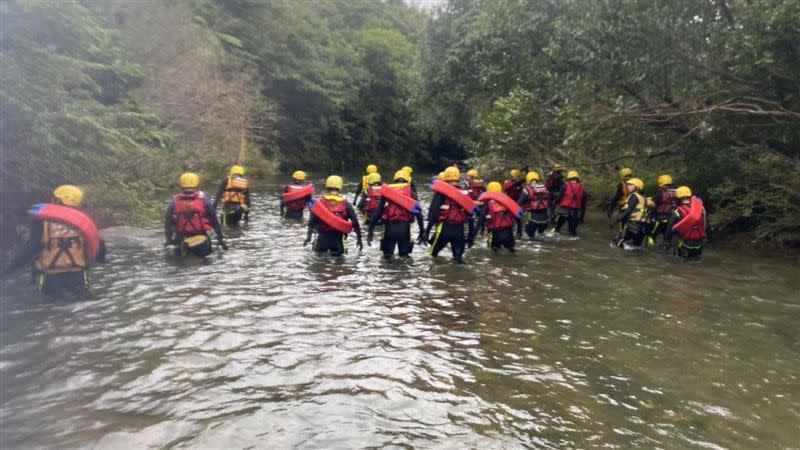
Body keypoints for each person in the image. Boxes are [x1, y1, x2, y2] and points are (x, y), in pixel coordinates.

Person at [4, 185, 106, 296]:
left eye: (54, 197)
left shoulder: (42, 222)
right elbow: (100, 254)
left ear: (58, 200)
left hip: (52, 279)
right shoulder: (83, 223)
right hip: (78, 278)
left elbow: (29, 251)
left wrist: (8, 272)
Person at [165, 172, 227, 258]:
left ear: (181, 184)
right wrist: (220, 240)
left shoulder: (173, 202)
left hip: (181, 239)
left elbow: (168, 224)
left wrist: (168, 240)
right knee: (206, 263)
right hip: (201, 240)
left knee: (179, 263)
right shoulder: (205, 200)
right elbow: (215, 222)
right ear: (196, 184)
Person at [422, 166, 476, 263]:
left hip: (444, 229)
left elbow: (434, 213)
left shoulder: (441, 193)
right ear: (458, 178)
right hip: (460, 231)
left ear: (446, 177)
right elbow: (471, 215)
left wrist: (426, 232)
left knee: (432, 256)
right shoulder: (465, 193)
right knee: (458, 260)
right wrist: (471, 236)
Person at [367, 170, 425, 259]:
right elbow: (418, 213)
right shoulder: (411, 192)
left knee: (387, 258)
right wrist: (422, 231)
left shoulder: (387, 192)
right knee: (404, 258)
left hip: (389, 229)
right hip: (405, 229)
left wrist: (370, 231)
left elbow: (377, 213)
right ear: (407, 180)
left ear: (394, 180)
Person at [306, 175, 363, 256]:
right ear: (340, 186)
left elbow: (311, 222)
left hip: (322, 239)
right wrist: (359, 239)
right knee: (339, 265)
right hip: (338, 240)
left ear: (327, 186)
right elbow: (355, 222)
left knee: (318, 264)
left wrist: (308, 237)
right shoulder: (346, 204)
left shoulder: (319, 202)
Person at [472, 182, 517, 253]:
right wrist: (519, 231)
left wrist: (473, 235)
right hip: (509, 235)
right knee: (511, 253)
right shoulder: (508, 202)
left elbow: (480, 221)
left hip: (495, 235)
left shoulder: (487, 204)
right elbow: (517, 216)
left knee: (494, 254)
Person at [665, 186, 708, 260]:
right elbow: (705, 225)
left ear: (678, 198)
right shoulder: (701, 208)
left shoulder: (677, 212)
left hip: (685, 243)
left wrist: (667, 243)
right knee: (696, 262)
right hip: (699, 243)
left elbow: (669, 229)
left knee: (684, 266)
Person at [612, 177, 649, 248]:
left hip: (633, 225)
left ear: (637, 188)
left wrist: (617, 220)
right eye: (628, 185)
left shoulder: (634, 196)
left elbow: (628, 211)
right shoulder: (643, 197)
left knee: (616, 244)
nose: (628, 186)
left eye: (631, 185)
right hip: (643, 226)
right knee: (636, 247)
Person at [551, 170, 587, 236]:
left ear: (568, 178)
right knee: (572, 232)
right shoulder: (582, 188)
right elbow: (583, 205)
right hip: (574, 213)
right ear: (577, 178)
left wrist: (553, 208)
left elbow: (558, 198)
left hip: (563, 212)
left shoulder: (565, 185)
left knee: (557, 229)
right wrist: (582, 217)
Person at [517, 171, 550, 239]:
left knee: (530, 237)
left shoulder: (526, 190)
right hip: (545, 219)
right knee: (541, 236)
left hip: (532, 218)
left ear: (528, 179)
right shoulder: (544, 188)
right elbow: (549, 201)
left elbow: (519, 203)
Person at [649, 174, 676, 244]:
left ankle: (653, 238)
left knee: (655, 231)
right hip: (670, 216)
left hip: (659, 216)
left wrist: (652, 216)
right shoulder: (673, 192)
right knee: (666, 231)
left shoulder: (659, 193)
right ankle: (666, 242)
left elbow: (654, 205)